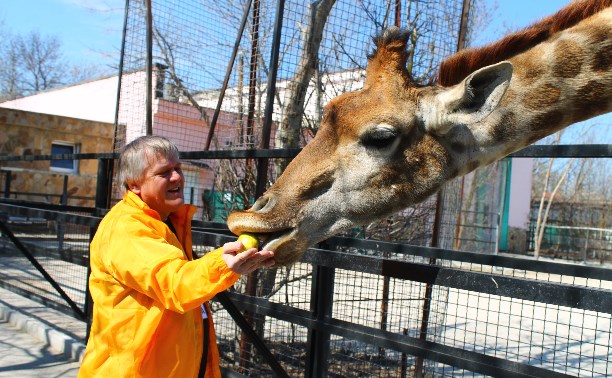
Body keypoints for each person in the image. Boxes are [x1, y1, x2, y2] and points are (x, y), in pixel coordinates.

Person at [78, 135, 275, 377]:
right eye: (164, 172)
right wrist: (222, 265)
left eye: (178, 168)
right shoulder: (127, 228)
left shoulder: (165, 220)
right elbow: (174, 283)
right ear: (134, 185)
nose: (177, 177)